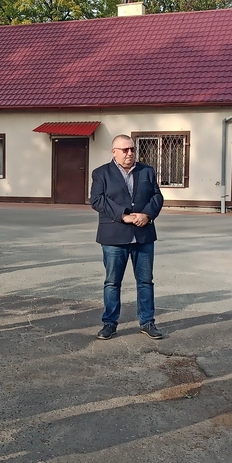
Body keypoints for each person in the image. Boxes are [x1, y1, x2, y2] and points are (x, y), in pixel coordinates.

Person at [90, 134, 164, 341]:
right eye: (125, 150)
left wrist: (146, 214)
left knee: (145, 281)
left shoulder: (147, 171)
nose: (130, 153)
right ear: (114, 152)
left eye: (132, 149)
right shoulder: (101, 173)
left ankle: (147, 322)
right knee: (112, 282)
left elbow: (157, 196)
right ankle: (110, 323)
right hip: (114, 236)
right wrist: (124, 216)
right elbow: (97, 200)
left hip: (143, 235)